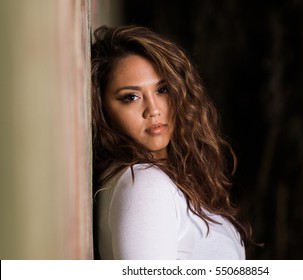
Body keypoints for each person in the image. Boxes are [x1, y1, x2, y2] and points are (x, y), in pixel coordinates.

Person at [91, 24, 251, 259]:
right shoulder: (144, 183)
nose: (153, 110)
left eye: (162, 89)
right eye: (131, 97)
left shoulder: (164, 177)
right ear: (103, 108)